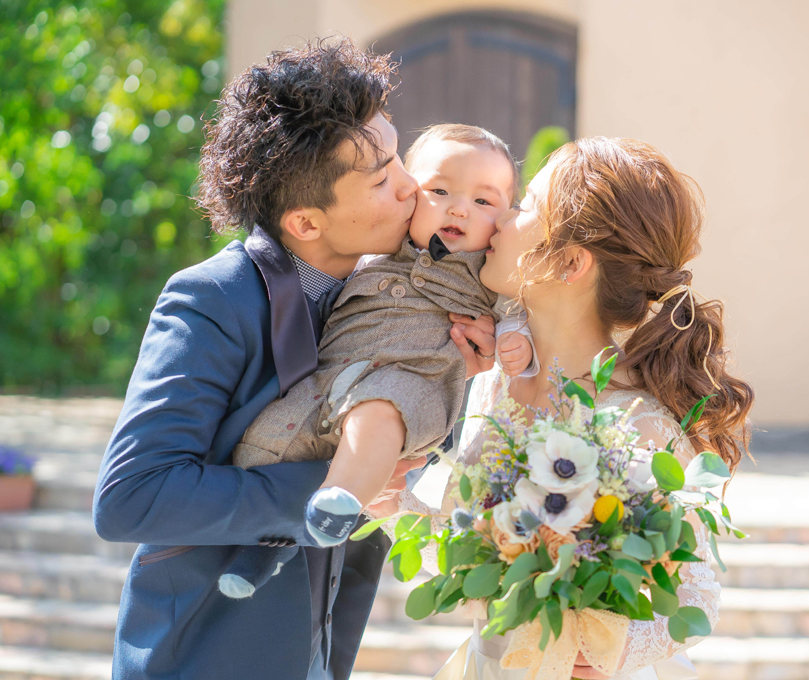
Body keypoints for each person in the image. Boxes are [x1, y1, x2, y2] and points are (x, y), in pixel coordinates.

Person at [92, 38, 496, 680]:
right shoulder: (211, 299)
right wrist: (334, 489)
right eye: (383, 176)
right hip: (205, 657)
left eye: (399, 158)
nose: (410, 185)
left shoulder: (397, 291)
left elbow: (397, 445)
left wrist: (455, 374)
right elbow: (130, 499)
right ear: (306, 223)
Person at [389, 137, 755, 680]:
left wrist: (604, 653)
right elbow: (463, 534)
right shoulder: (495, 384)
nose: (504, 217)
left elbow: (698, 600)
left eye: (528, 205)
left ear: (569, 263)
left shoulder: (637, 421)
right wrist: (389, 498)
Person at [218, 124, 539, 599]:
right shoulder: (375, 250)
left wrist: (515, 343)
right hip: (328, 385)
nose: (458, 208)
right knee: (266, 442)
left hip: (411, 387)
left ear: (504, 220)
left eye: (483, 202)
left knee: (378, 413)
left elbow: (518, 311)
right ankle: (264, 550)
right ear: (410, 192)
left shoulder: (487, 275)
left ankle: (341, 499)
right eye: (441, 190)